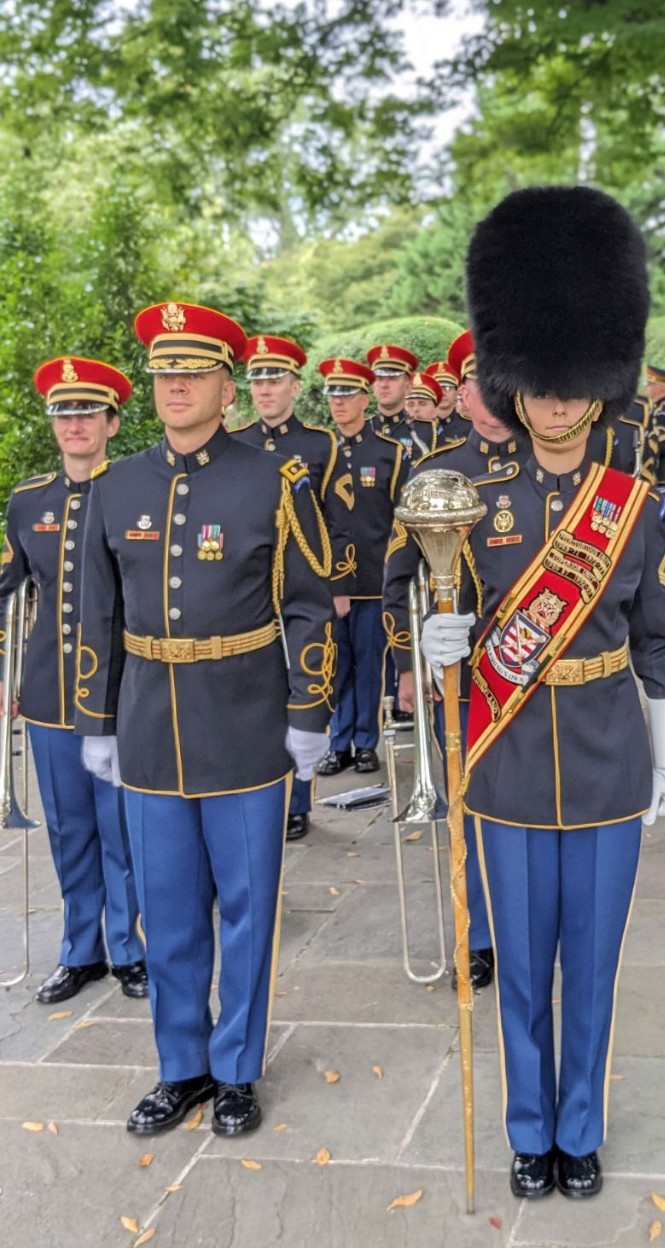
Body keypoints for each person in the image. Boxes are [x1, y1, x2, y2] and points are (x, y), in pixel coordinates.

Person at [423, 186, 665, 1200]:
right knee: (523, 970)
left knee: (593, 966)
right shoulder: (469, 498)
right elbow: (439, 621)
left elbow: (655, 636)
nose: (559, 404)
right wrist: (443, 637)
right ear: (515, 381)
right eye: (542, 387)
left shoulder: (632, 505)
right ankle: (529, 1129)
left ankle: (582, 1126)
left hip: (611, 752)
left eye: (577, 387)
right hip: (510, 756)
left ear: (602, 385)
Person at [75, 301, 336, 1137]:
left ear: (229, 385)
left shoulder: (272, 478)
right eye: (163, 373)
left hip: (247, 725)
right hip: (150, 728)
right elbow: (97, 618)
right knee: (169, 910)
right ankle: (179, 1066)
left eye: (193, 372)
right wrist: (98, 720)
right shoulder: (115, 486)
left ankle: (236, 1068)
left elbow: (306, 605)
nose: (176, 385)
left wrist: (307, 710)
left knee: (249, 909)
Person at [0, 356, 147, 1005]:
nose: (75, 423)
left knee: (122, 826)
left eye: (88, 412)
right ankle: (79, 948)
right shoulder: (28, 499)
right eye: (64, 412)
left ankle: (130, 946)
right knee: (68, 829)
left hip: (121, 696)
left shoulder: (138, 491)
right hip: (51, 694)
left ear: (112, 422)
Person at [382, 330, 518, 992]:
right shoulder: (436, 471)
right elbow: (395, 572)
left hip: (534, 668)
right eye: (475, 384)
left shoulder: (548, 462)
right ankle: (482, 933)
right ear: (459, 395)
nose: (488, 397)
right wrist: (409, 659)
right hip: (459, 672)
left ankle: (531, 925)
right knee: (467, 802)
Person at [231, 333, 351, 839]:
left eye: (274, 379)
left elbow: (338, 519)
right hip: (250, 592)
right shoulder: (236, 442)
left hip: (302, 589)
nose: (264, 390)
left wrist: (338, 585)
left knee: (303, 690)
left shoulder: (321, 443)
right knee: (254, 697)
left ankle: (297, 799)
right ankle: (257, 789)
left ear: (295, 386)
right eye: (256, 379)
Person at [317, 356, 410, 776]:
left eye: (347, 394)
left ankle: (366, 740)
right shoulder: (321, 450)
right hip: (328, 580)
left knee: (370, 664)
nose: (338, 403)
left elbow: (400, 518)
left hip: (374, 577)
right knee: (335, 665)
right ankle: (339, 742)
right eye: (332, 395)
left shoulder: (390, 452)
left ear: (364, 397)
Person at [366, 343, 430, 459]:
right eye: (379, 379)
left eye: (392, 379)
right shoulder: (362, 430)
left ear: (408, 387)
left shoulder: (426, 432)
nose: (384, 385)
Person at [644, 364, 665, 485]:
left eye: (650, 384)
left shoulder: (664, 410)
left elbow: (661, 441)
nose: (647, 387)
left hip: (658, 471)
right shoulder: (655, 407)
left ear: (660, 387)